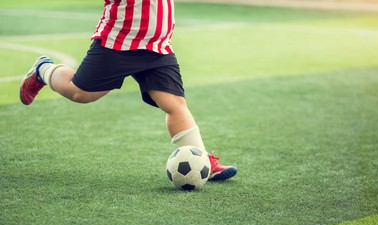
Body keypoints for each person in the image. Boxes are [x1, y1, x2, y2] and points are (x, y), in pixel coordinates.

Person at [19, 0, 237, 181]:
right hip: (118, 43)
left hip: (157, 46)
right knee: (79, 92)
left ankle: (203, 161)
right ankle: (43, 70)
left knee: (174, 105)